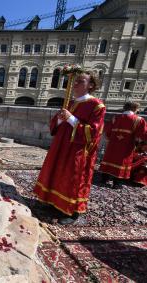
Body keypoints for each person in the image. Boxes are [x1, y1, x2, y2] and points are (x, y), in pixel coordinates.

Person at [33, 71, 106, 225]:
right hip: (62, 145)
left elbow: (93, 132)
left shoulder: (97, 106)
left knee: (72, 178)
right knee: (58, 174)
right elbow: (57, 125)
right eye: (76, 81)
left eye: (81, 81)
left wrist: (71, 118)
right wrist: (60, 120)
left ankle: (72, 211)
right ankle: (55, 203)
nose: (76, 83)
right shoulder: (72, 103)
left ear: (91, 85)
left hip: (77, 150)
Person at [99, 102, 146, 189]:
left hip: (113, 144)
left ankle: (104, 179)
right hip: (126, 146)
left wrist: (112, 138)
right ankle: (117, 183)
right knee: (122, 162)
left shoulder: (115, 117)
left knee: (110, 159)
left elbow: (107, 131)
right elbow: (143, 134)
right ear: (135, 109)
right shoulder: (139, 120)